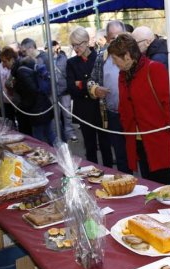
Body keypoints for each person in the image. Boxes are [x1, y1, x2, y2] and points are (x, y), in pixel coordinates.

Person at [108, 33, 170, 184]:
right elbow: (124, 107)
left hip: (159, 142)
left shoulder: (154, 69)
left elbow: (169, 105)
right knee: (149, 184)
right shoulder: (123, 75)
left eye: (116, 59)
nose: (114, 63)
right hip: (138, 141)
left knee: (165, 185)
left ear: (127, 56)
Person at [132, 26, 170, 184]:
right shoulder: (161, 52)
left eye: (136, 43)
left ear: (147, 41)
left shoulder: (157, 59)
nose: (134, 48)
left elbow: (162, 95)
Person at [87, 20, 132, 174]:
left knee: (141, 154)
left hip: (134, 114)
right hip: (113, 114)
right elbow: (91, 80)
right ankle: (127, 186)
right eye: (113, 38)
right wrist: (95, 89)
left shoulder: (135, 55)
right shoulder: (102, 58)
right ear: (106, 39)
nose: (118, 41)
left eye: (121, 37)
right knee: (120, 155)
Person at [67, 27, 113, 167]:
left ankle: (110, 172)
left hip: (100, 108)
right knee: (89, 146)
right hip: (84, 110)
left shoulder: (99, 58)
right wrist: (92, 87)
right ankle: (94, 173)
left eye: (78, 44)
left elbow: (103, 83)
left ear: (87, 42)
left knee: (105, 145)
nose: (76, 48)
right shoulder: (71, 63)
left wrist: (81, 83)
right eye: (73, 45)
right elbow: (71, 89)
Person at [49, 40, 78, 143]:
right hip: (53, 92)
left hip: (65, 90)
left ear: (57, 47)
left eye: (52, 46)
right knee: (55, 114)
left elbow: (68, 74)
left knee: (67, 114)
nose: (50, 49)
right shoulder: (46, 59)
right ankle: (57, 134)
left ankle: (70, 132)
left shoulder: (64, 58)